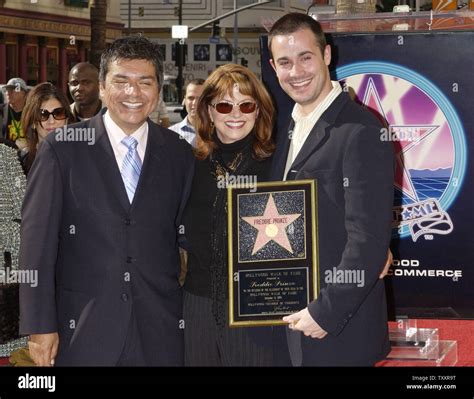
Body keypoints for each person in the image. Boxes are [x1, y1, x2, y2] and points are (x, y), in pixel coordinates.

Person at [19, 36, 194, 367]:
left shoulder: (178, 153)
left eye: (145, 82)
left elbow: (192, 233)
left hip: (160, 330)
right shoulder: (62, 149)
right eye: (121, 81)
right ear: (102, 87)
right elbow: (36, 243)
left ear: (158, 90)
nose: (133, 93)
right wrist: (40, 326)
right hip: (82, 330)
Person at [268, 13, 395, 366]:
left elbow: (368, 241)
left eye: (305, 57)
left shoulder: (360, 130)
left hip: (338, 333)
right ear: (273, 67)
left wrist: (325, 312)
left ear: (326, 55)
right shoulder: (286, 129)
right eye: (285, 62)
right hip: (291, 323)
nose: (296, 71)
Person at [181, 64, 276, 366]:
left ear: (258, 111)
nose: (236, 114)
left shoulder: (278, 165)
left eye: (246, 105)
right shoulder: (187, 165)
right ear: (208, 111)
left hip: (259, 307)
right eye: (224, 105)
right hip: (198, 301)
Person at [20, 82, 72, 174]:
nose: (51, 121)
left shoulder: (80, 158)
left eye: (58, 113)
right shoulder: (19, 163)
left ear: (67, 119)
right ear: (33, 122)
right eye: (43, 115)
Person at [169, 79, 205, 146]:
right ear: (184, 100)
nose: (195, 103)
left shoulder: (220, 132)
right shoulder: (171, 133)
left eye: (200, 99)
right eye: (191, 98)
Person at [1, 78, 29, 150]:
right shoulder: (1, 112)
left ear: (24, 93)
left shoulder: (32, 112)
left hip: (28, 156)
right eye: (7, 90)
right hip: (6, 156)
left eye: (13, 89)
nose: (8, 92)